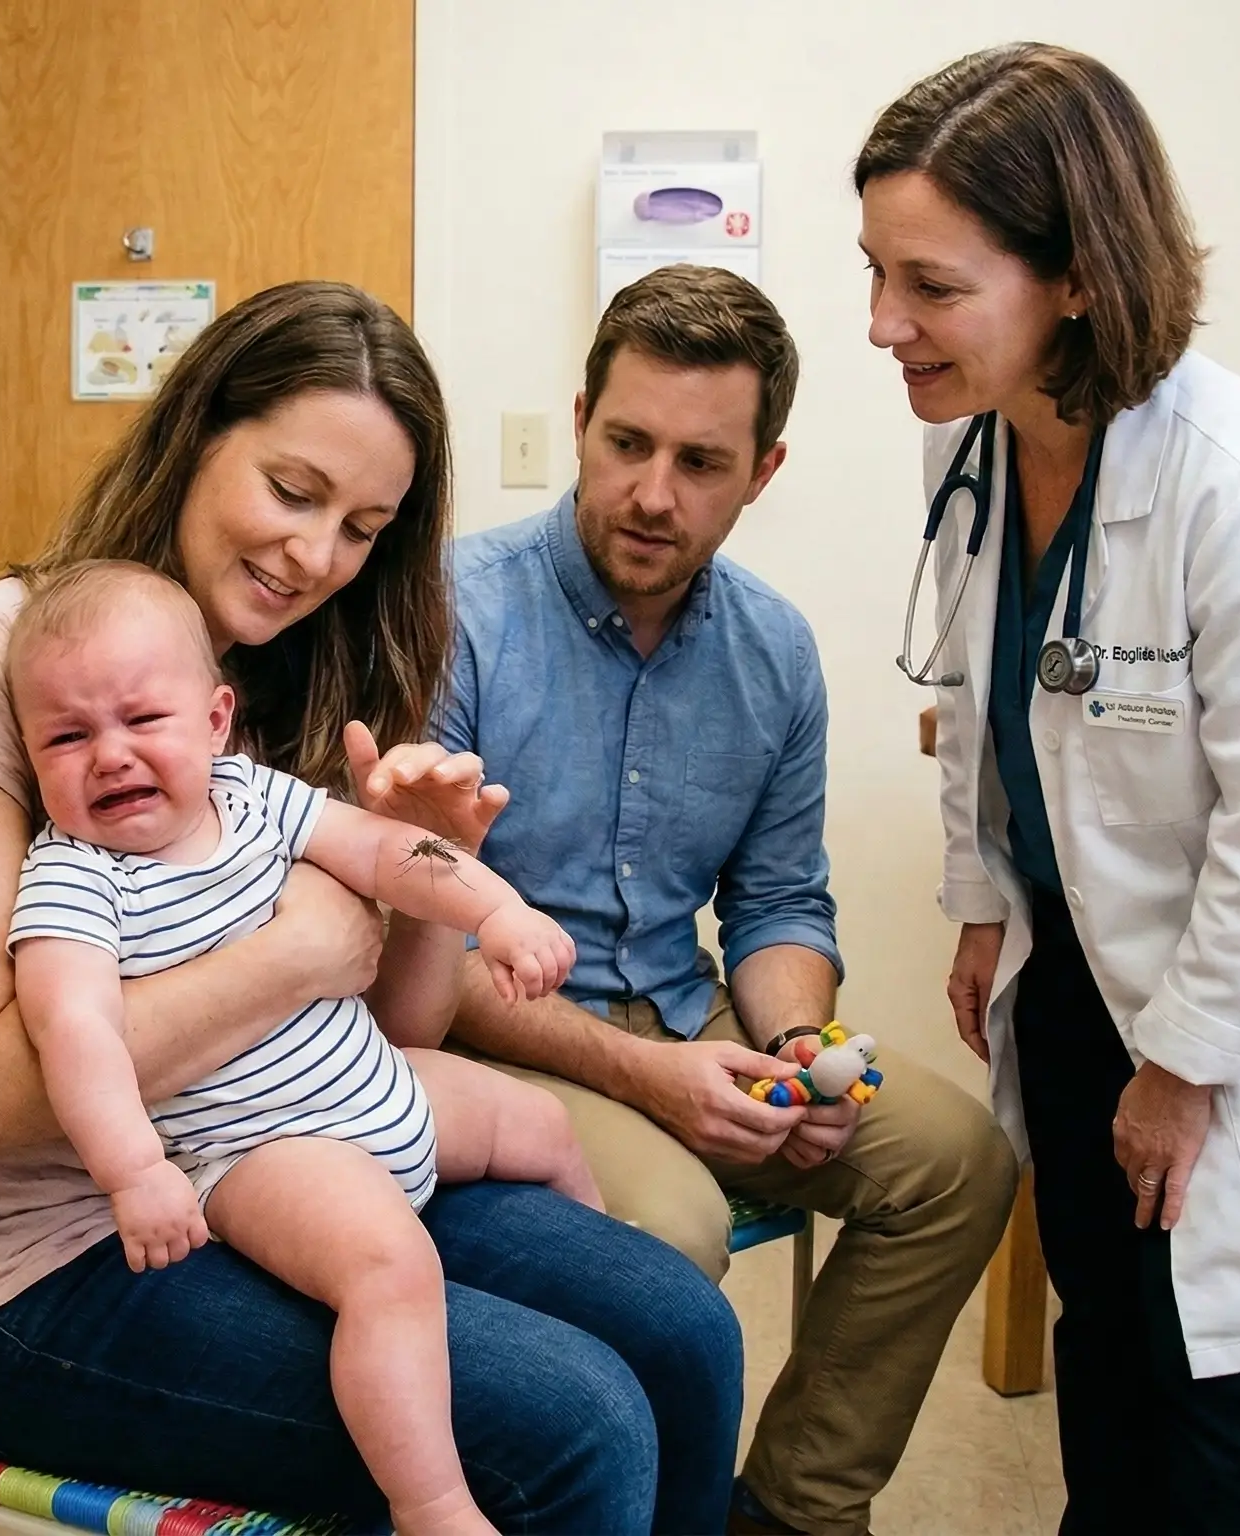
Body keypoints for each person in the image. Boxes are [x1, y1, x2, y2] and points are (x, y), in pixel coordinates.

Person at [0, 280, 744, 1532]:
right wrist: (294, 954)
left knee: (683, 1331)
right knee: (570, 1423)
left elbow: (398, 1033)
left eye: (362, 527)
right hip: (37, 1266)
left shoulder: (266, 683)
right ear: (196, 431)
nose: (316, 558)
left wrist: (429, 883)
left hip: (295, 1143)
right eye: (292, 491)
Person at [860, 44, 1240, 1535]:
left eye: (929, 286)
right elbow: (984, 702)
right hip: (1076, 969)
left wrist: (1182, 1066)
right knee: (1103, 1325)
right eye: (874, 274)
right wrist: (979, 908)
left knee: (1214, 1373)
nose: (879, 326)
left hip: (1229, 1009)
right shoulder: (969, 451)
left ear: (1079, 278)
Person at [441, 263, 1019, 1536]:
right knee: (673, 1231)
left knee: (955, 1161)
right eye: (625, 442)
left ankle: (791, 1509)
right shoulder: (451, 614)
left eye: (700, 463)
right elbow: (419, 960)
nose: (652, 494)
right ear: (581, 413)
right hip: (492, 1035)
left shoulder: (772, 650)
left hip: (683, 1017)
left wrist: (793, 1045)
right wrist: (654, 1082)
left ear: (762, 471)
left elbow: (774, 907)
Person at [7, 558, 599, 1536]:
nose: (108, 755)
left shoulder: (251, 796)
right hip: (260, 1151)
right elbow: (70, 1030)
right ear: (31, 760)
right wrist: (133, 1172)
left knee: (539, 1122)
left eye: (139, 720)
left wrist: (495, 911)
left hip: (378, 1083)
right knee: (388, 1270)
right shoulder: (73, 879)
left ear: (212, 720)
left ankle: (591, 1302)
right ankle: (432, 1505)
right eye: (67, 737)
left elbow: (380, 849)